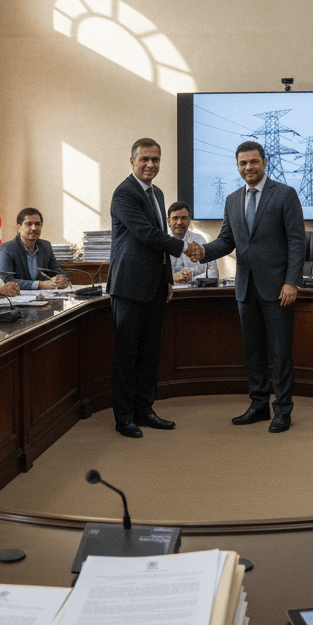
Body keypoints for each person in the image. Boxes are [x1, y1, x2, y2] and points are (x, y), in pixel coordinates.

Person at [188, 141, 305, 432]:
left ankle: (282, 411)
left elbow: (296, 241)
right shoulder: (232, 199)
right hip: (245, 289)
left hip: (278, 289)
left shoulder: (285, 194)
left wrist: (292, 281)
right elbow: (227, 240)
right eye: (243, 163)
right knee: (252, 352)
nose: (248, 168)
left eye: (253, 162)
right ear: (237, 166)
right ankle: (258, 406)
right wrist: (203, 251)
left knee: (280, 353)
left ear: (265, 162)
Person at [108, 138, 186, 438]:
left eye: (155, 159)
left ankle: (145, 409)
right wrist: (184, 247)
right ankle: (124, 417)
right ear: (132, 162)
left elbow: (158, 240)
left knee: (150, 352)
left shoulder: (159, 193)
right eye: (144, 160)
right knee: (126, 354)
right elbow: (146, 233)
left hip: (154, 286)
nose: (150, 165)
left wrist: (166, 278)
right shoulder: (124, 193)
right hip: (128, 287)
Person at [0, 208, 70, 291]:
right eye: (29, 224)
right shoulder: (7, 248)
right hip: (17, 299)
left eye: (38, 224)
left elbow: (58, 272)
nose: (34, 228)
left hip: (42, 298)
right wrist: (40, 284)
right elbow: (5, 281)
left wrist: (61, 279)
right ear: (19, 228)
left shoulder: (45, 246)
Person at [166, 201, 219, 283]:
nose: (179, 222)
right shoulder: (162, 243)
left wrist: (191, 279)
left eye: (184, 218)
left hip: (196, 293)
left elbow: (213, 273)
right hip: (170, 293)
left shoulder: (200, 240)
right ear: (168, 221)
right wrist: (171, 279)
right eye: (175, 218)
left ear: (189, 220)